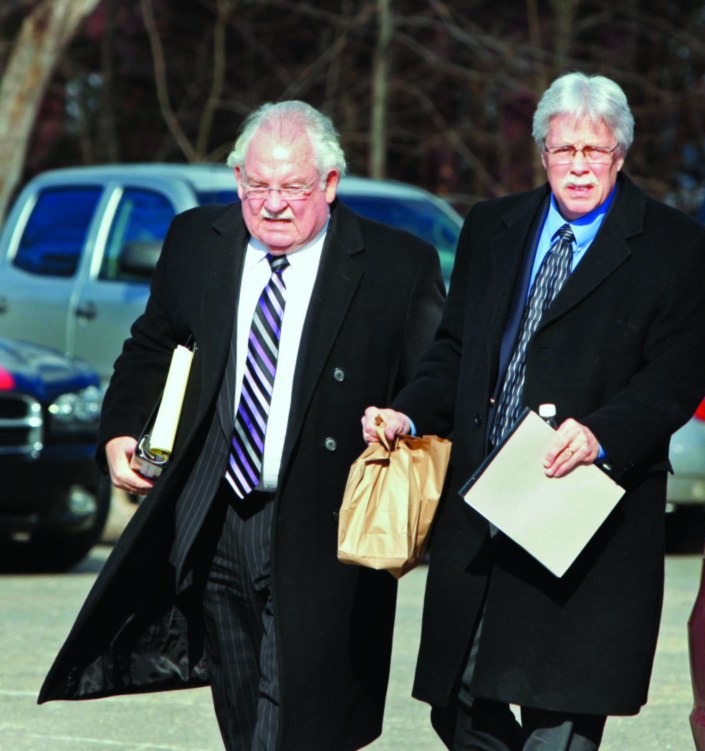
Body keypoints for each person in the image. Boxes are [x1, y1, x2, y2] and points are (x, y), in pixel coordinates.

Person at [38, 101, 445, 751]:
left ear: (330, 185)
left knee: (297, 716)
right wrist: (118, 430)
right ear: (237, 179)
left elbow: (436, 375)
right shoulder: (199, 241)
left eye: (292, 187)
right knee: (241, 698)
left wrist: (405, 412)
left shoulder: (398, 265)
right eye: (258, 185)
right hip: (219, 515)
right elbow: (151, 344)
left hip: (325, 521)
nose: (273, 203)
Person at [363, 72, 705, 750]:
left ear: (620, 153)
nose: (579, 166)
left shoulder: (677, 249)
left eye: (594, 150)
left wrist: (602, 434)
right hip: (484, 503)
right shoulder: (493, 227)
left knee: (560, 719)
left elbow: (676, 377)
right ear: (543, 152)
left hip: (583, 513)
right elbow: (455, 349)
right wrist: (408, 413)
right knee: (456, 701)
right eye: (565, 151)